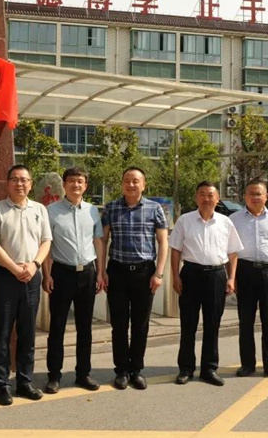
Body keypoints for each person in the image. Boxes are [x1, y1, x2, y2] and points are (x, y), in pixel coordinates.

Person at [0, 164, 51, 406]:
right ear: (8, 183)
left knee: (28, 332)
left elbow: (46, 241)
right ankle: (2, 385)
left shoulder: (40, 209)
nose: (20, 183)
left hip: (32, 276)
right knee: (2, 332)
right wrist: (15, 269)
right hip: (5, 277)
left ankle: (25, 381)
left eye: (24, 180)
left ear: (31, 184)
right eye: (15, 179)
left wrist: (34, 265)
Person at [101, 167, 168, 391]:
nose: (131, 185)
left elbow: (163, 242)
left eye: (135, 181)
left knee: (141, 324)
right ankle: (121, 370)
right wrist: (102, 270)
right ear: (122, 183)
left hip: (144, 273)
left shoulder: (154, 208)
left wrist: (159, 273)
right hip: (117, 272)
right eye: (127, 181)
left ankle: (136, 369)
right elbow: (103, 240)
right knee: (119, 324)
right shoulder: (111, 208)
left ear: (144, 184)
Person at [170, 182, 242, 387]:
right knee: (188, 324)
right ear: (196, 197)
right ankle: (186, 368)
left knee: (212, 324)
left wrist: (231, 278)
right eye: (202, 194)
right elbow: (175, 250)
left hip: (216, 276)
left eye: (210, 195)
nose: (206, 198)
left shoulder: (225, 222)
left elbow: (233, 253)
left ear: (217, 199)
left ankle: (209, 368)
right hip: (190, 274)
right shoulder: (185, 220)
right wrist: (175, 276)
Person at [42, 167, 104, 394]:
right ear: (64, 184)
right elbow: (46, 244)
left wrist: (100, 272)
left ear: (85, 186)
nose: (75, 185)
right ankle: (54, 375)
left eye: (80, 181)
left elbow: (98, 241)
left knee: (85, 327)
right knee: (57, 326)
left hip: (87, 273)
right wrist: (47, 274)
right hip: (61, 273)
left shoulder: (92, 211)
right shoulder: (51, 211)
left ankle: (83, 373)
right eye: (71, 181)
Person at [229, 178, 268, 381]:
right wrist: (232, 276)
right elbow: (230, 251)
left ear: (266, 196)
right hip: (244, 271)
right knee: (245, 320)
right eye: (251, 193)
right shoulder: (234, 219)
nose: (255, 197)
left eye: (259, 193)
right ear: (244, 196)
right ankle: (247, 364)